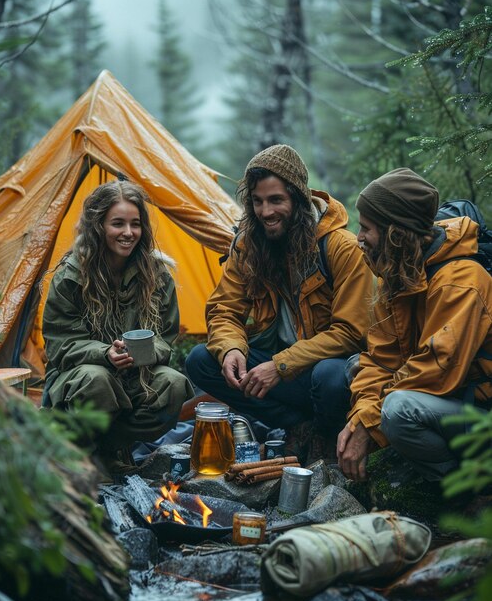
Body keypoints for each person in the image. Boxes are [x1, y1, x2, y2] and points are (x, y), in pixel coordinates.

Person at [186, 144, 373, 439]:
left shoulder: (341, 247)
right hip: (278, 371)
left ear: (298, 198)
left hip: (324, 371)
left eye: (276, 200)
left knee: (331, 376)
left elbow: (351, 332)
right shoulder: (249, 246)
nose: (266, 212)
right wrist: (232, 348)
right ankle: (298, 427)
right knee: (201, 360)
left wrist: (281, 364)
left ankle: (328, 435)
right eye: (258, 202)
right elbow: (224, 310)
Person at [337, 168, 492, 483]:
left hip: (480, 406)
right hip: (450, 402)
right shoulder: (398, 271)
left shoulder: (461, 280)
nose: (359, 237)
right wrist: (360, 419)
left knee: (397, 410)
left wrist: (370, 425)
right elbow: (380, 359)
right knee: (355, 367)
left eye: (367, 228)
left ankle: (469, 484)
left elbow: (436, 370)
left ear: (396, 232)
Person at [42, 179, 193, 473]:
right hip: (77, 377)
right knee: (97, 380)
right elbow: (61, 344)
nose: (128, 233)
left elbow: (166, 334)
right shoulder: (72, 277)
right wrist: (104, 353)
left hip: (136, 373)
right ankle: (81, 455)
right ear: (98, 226)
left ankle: (110, 449)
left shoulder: (156, 275)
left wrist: (144, 353)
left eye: (135, 224)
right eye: (118, 224)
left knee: (173, 385)